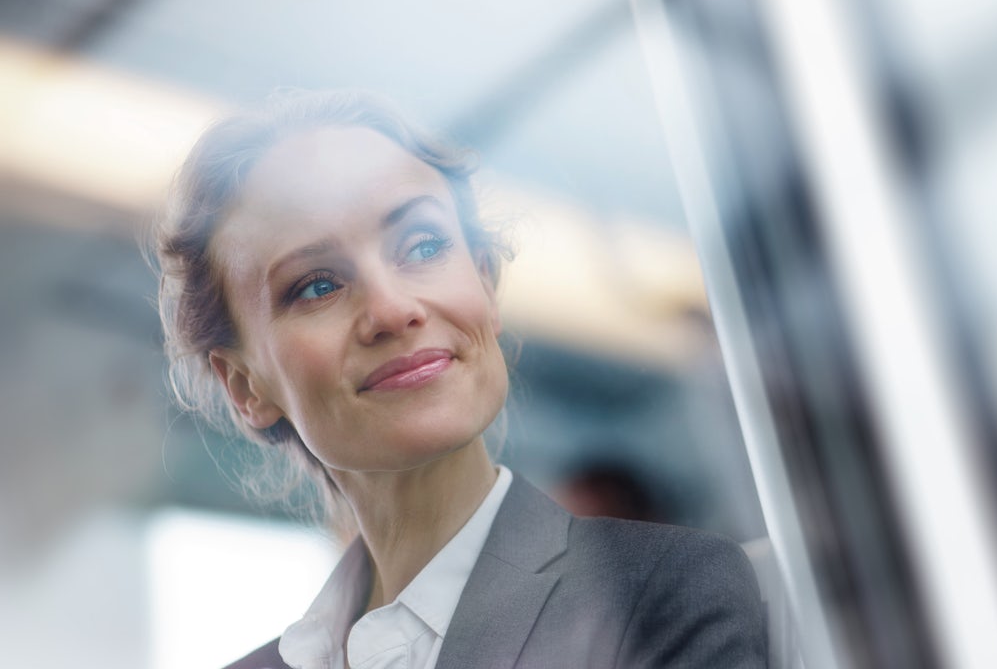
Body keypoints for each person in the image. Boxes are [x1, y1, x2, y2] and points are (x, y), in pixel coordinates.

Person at [154, 89, 767, 669]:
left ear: (484, 282)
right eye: (317, 285)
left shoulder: (655, 593)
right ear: (244, 388)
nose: (393, 309)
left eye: (422, 246)